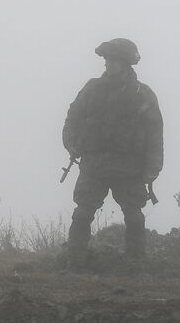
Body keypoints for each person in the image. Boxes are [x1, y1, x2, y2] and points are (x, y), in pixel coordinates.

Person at [61, 37, 163, 267]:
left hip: (129, 168)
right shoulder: (92, 89)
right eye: (106, 59)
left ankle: (136, 263)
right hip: (94, 165)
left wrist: (153, 168)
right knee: (83, 213)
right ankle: (74, 262)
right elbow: (73, 117)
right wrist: (72, 144)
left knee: (134, 215)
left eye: (112, 59)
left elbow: (155, 132)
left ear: (125, 64)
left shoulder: (143, 94)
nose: (107, 63)